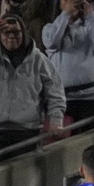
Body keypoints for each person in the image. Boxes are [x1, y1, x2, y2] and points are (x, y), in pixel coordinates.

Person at [42, 0, 94, 121]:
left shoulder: (91, 26)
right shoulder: (49, 28)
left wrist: (91, 15)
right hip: (61, 97)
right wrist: (65, 14)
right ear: (60, 3)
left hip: (93, 96)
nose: (73, 1)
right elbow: (52, 43)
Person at [0, 13, 66, 151]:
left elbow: (55, 93)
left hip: (27, 132)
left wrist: (56, 121)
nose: (11, 36)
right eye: (6, 32)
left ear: (23, 33)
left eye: (16, 32)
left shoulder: (39, 60)